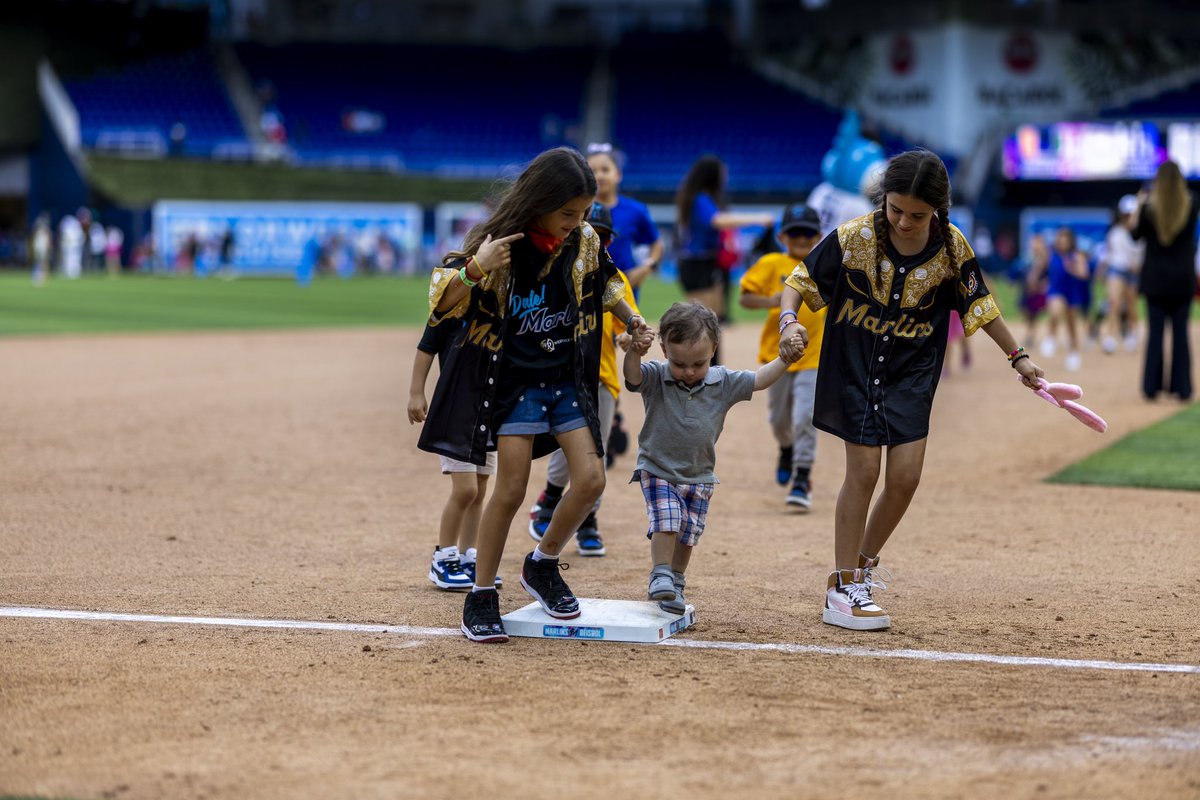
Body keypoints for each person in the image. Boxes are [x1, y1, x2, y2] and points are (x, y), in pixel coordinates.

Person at [778, 149, 1044, 631]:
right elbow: (800, 280)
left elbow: (979, 303)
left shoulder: (951, 245)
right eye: (895, 208)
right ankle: (842, 588)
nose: (903, 221)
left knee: (905, 478)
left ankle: (862, 566)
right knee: (862, 472)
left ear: (938, 210)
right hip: (855, 367)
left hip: (912, 373)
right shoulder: (854, 237)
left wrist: (1018, 357)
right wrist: (788, 320)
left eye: (917, 214)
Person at [418, 147, 643, 643]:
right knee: (512, 489)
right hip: (513, 383)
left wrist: (632, 320)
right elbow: (440, 299)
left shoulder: (583, 240)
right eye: (568, 213)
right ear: (541, 201)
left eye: (583, 213)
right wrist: (475, 268)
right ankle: (481, 596)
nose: (577, 223)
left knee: (591, 480)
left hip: (564, 377)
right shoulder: (500, 244)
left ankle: (541, 565)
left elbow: (606, 283)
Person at [624, 302, 801, 613]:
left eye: (698, 364)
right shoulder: (656, 376)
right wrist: (634, 352)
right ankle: (660, 574)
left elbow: (759, 379)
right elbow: (632, 377)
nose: (689, 372)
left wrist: (784, 359)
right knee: (667, 520)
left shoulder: (723, 381)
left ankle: (675, 582)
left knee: (688, 533)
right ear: (664, 350)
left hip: (700, 473)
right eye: (680, 364)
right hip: (658, 467)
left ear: (714, 349)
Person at [528, 202, 640, 556]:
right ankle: (550, 498)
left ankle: (586, 519)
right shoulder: (557, 270)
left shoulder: (614, 279)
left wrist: (628, 338)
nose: (599, 242)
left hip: (601, 376)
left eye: (605, 238)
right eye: (594, 233)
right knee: (568, 443)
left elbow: (629, 325)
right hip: (560, 373)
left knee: (596, 449)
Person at [738, 202, 827, 509]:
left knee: (805, 416)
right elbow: (745, 298)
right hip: (777, 356)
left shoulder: (826, 264)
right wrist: (772, 300)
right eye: (795, 233)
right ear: (783, 236)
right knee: (778, 420)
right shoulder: (772, 263)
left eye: (807, 233)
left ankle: (802, 477)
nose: (801, 239)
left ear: (818, 235)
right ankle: (787, 448)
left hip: (815, 356)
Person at [408, 317, 501, 591]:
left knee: (481, 488)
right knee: (465, 490)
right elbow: (427, 345)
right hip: (456, 409)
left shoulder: (503, 299)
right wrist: (416, 392)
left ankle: (468, 554)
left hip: (489, 409)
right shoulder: (453, 297)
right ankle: (444, 556)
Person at [674, 154, 774, 348]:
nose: (726, 177)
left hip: (704, 262)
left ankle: (711, 368)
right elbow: (718, 221)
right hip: (697, 264)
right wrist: (757, 218)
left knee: (711, 320)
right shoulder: (700, 198)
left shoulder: (699, 197)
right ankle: (702, 367)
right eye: (722, 173)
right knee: (703, 321)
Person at [1132, 160, 1196, 402]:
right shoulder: (1191, 205)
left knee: (1155, 333)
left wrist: (1139, 204)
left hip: (1155, 281)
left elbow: (1135, 235)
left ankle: (1151, 387)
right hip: (1182, 280)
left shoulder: (1149, 207)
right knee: (1181, 333)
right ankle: (1183, 388)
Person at [585, 143, 663, 301]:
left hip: (624, 290)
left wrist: (647, 267)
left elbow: (657, 243)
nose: (599, 176)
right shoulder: (577, 209)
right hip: (586, 289)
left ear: (618, 175)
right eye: (593, 171)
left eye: (605, 170)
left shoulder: (635, 210)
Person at [1099, 195, 1145, 354]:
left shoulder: (1140, 232)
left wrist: (1138, 265)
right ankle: (1110, 336)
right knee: (1114, 303)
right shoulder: (1115, 231)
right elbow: (1109, 253)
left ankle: (1132, 333)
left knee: (1131, 305)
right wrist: (1102, 268)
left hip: (1133, 272)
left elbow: (1142, 254)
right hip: (1117, 269)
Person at [1041, 227, 1091, 371]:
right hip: (1056, 290)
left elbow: (1084, 274)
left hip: (1072, 293)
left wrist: (1073, 269)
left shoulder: (1076, 256)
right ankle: (1051, 337)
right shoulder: (1052, 255)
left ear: (1070, 242)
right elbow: (1042, 269)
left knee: (1071, 325)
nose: (1061, 243)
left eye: (1065, 240)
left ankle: (1074, 353)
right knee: (1055, 312)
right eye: (1060, 240)